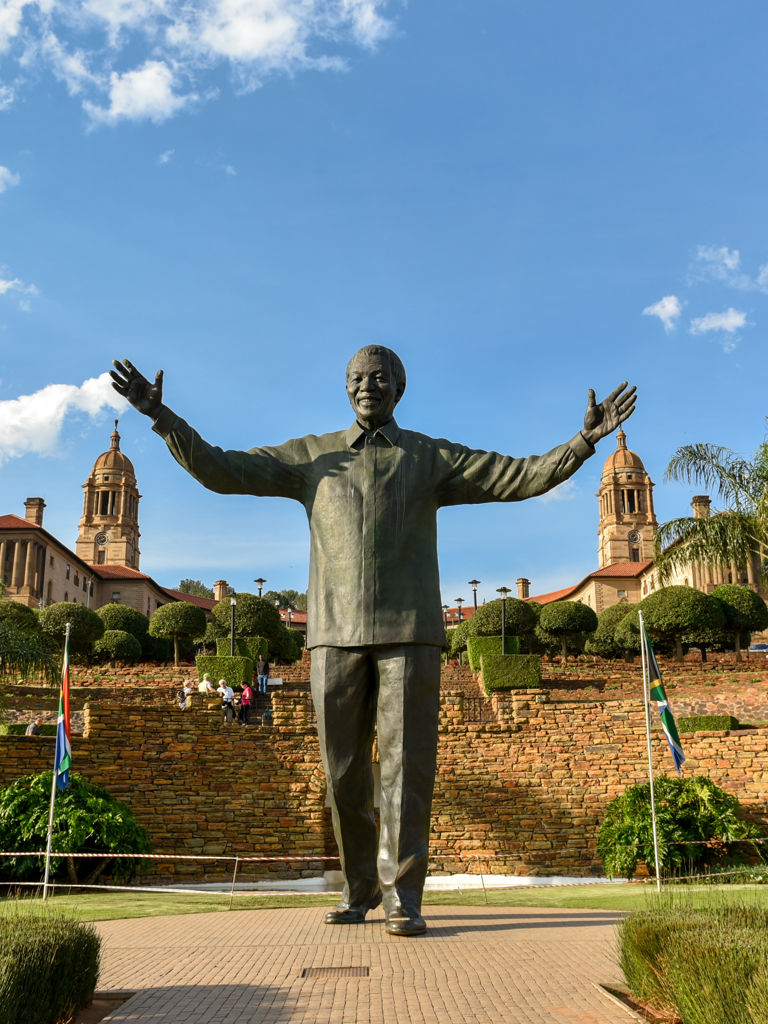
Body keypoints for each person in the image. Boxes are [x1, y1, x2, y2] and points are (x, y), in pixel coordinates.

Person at [111, 347, 635, 936]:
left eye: (380, 378)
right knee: (343, 774)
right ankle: (359, 889)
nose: (368, 386)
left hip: (409, 635)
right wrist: (162, 417)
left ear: (399, 388)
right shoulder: (312, 456)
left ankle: (403, 897)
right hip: (332, 634)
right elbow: (220, 468)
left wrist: (582, 442)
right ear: (345, 388)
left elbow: (517, 476)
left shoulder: (430, 456)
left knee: (407, 771)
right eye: (357, 378)